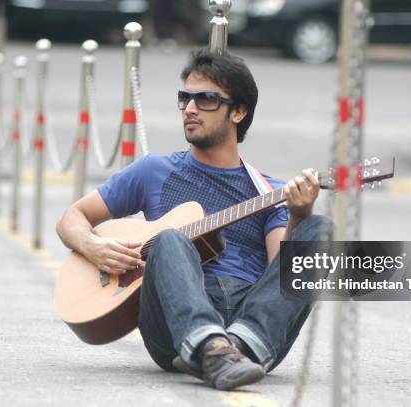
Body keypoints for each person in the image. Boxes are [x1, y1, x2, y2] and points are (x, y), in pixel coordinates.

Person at [56, 49, 327, 391]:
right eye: (185, 98)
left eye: (207, 99)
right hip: (172, 326)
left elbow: (281, 276)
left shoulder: (269, 191)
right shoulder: (153, 171)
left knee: (320, 230)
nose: (191, 108)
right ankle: (209, 347)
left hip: (253, 320)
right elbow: (71, 217)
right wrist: (91, 245)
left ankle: (238, 348)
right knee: (169, 238)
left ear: (239, 112)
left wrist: (301, 214)